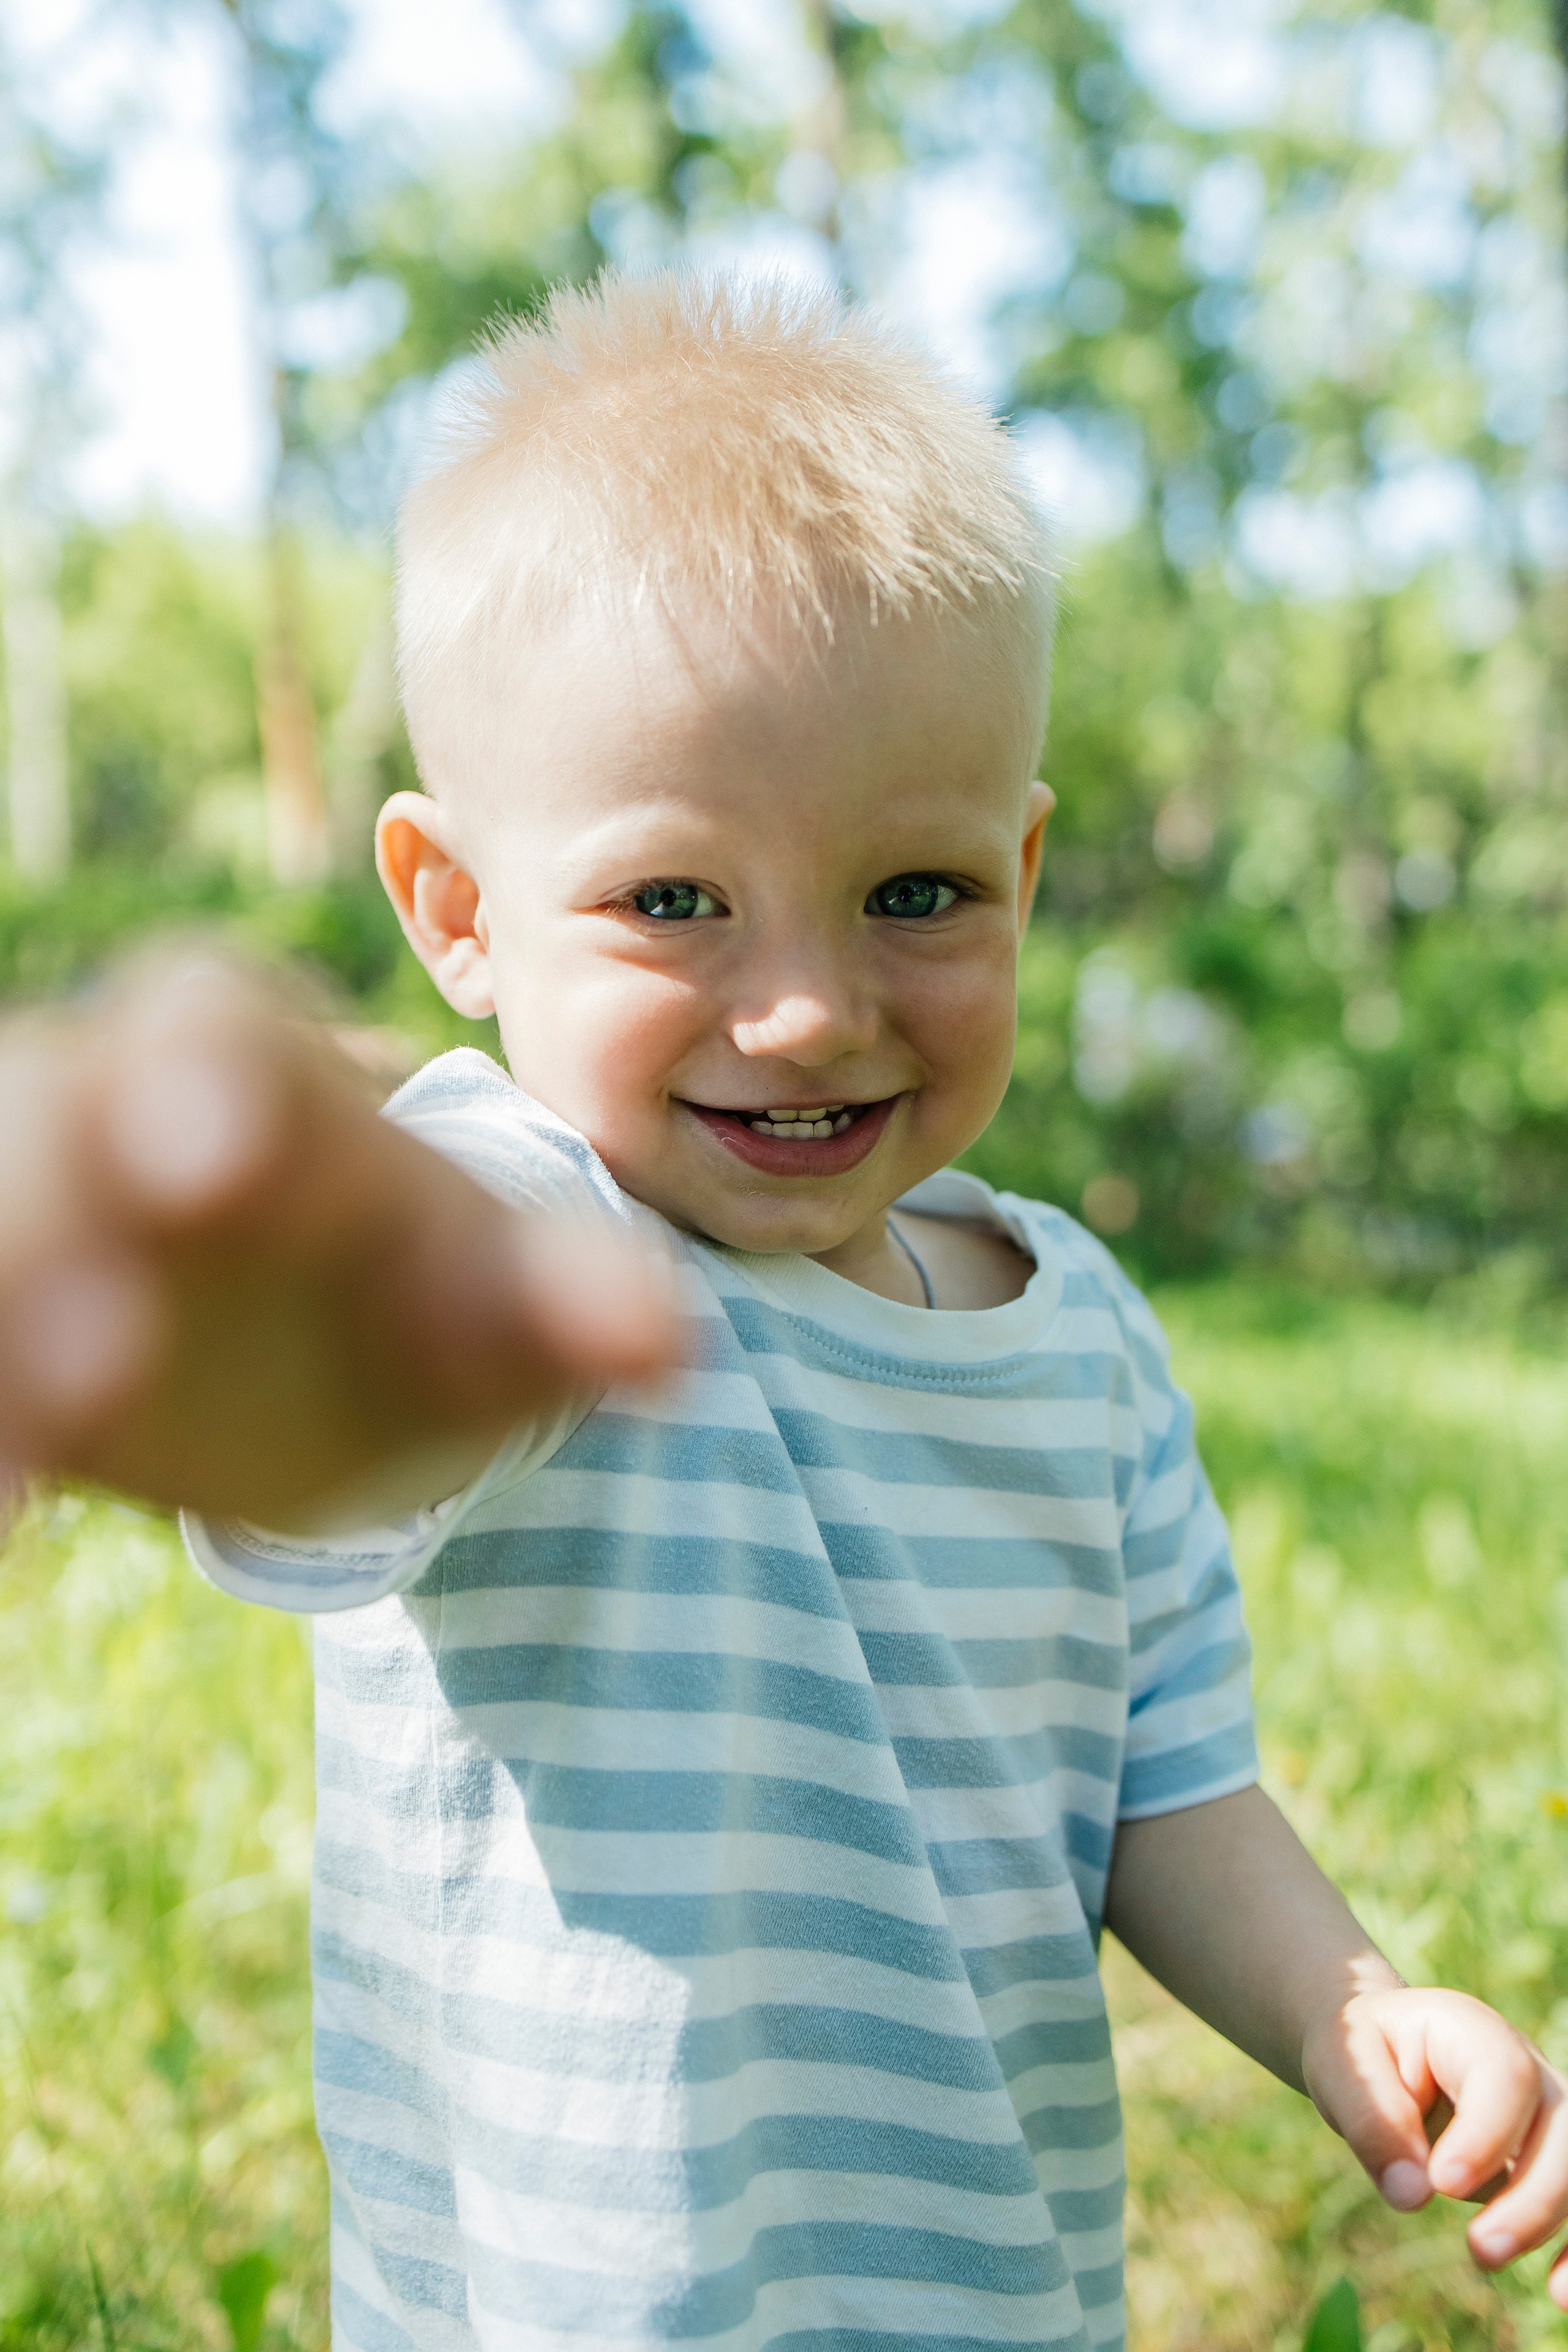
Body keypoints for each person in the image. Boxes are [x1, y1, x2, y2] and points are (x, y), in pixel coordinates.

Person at [0, 271, 1562, 2352]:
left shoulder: (1074, 1333)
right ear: (457, 913)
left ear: (1021, 864)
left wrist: (1350, 2003)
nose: (811, 1005)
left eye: (917, 895)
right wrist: (230, 1335)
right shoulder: (533, 1241)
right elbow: (373, 1411)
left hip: (999, 2298)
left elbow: (1165, 1788)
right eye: (673, 902)